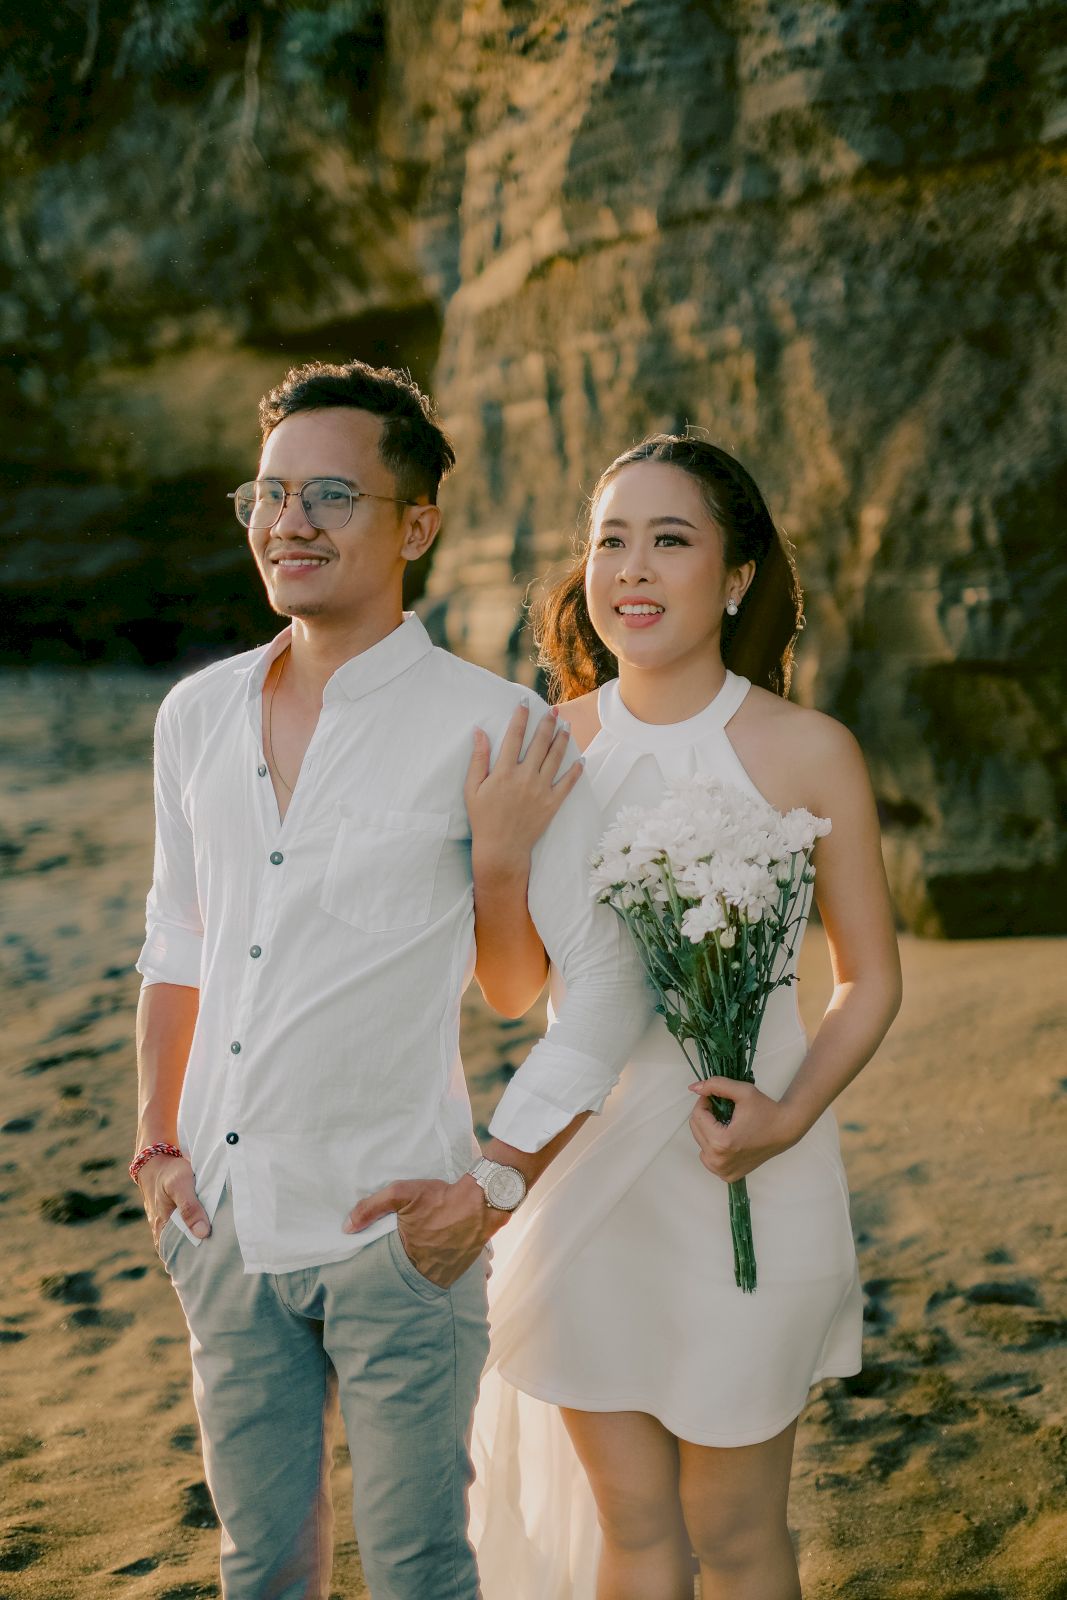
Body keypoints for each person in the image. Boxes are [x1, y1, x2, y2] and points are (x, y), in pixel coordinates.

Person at [131, 358, 651, 1600]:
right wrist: (156, 1146)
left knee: (419, 1570)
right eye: (268, 494)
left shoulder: (498, 727)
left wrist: (491, 1185)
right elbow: (177, 940)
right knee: (259, 1566)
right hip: (219, 1219)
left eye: (329, 495)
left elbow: (598, 990)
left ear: (415, 526)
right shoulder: (194, 715)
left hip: (400, 1239)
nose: (289, 522)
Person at [464, 434, 903, 1600]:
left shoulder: (808, 750)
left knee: (735, 1531)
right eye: (610, 541)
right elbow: (513, 990)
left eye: (669, 539)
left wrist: (784, 1116)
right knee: (636, 1526)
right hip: (589, 1175)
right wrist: (497, 861)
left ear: (736, 574)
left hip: (755, 1168)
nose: (632, 568)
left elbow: (868, 979)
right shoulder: (550, 746)